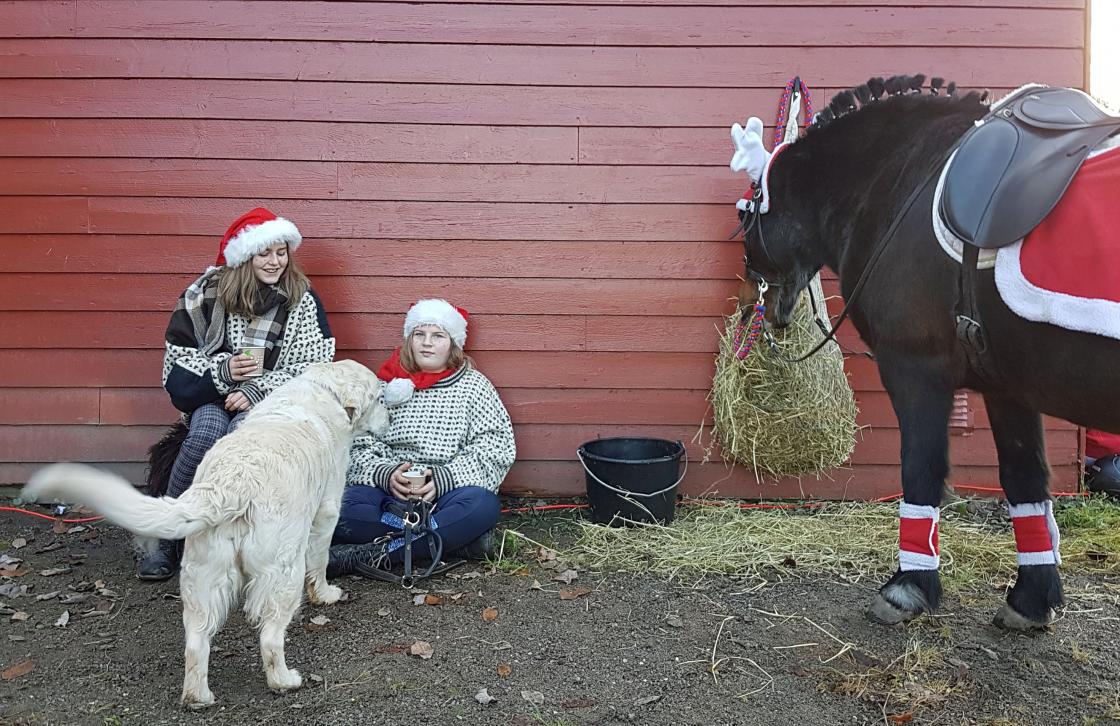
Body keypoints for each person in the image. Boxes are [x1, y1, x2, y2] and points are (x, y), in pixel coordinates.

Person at [139, 207, 335, 580]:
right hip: (211, 394)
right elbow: (178, 367)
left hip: (272, 402)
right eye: (266, 253)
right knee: (204, 437)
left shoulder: (301, 299)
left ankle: (230, 541)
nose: (276, 262)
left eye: (282, 253)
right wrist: (223, 372)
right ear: (246, 256)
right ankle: (165, 535)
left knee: (243, 442)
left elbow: (315, 366)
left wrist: (259, 389)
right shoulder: (202, 297)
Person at [327, 299, 516, 578]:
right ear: (409, 341)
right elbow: (358, 442)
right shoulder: (386, 388)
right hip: (389, 498)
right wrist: (385, 474)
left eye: (438, 336)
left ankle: (370, 553)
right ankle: (454, 543)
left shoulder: (475, 387)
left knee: (482, 505)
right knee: (341, 505)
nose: (427, 343)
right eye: (419, 335)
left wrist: (443, 479)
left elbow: (495, 446)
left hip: (447, 495)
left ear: (452, 344)